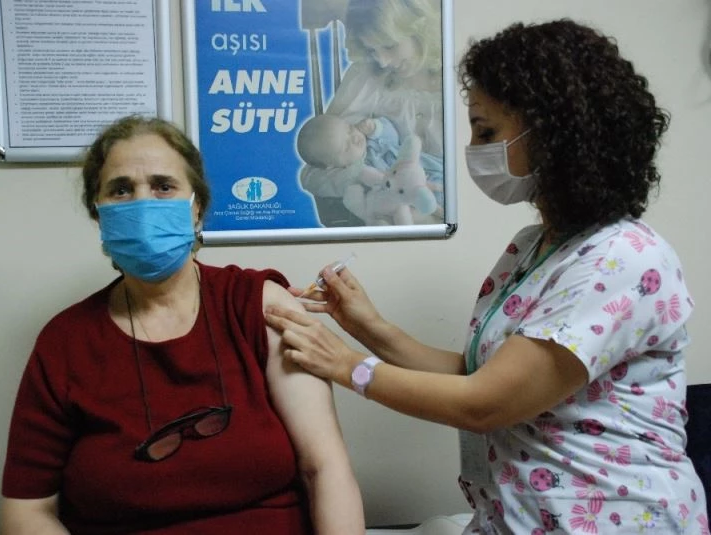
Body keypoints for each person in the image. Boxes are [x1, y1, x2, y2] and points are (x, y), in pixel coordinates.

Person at [267, 20, 709, 533]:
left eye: (487, 132)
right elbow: (475, 375)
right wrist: (365, 325)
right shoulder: (533, 246)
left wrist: (346, 365)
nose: (474, 148)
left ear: (551, 134)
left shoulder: (624, 259)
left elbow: (485, 404)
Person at [0, 115, 365, 534]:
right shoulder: (65, 343)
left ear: (197, 208)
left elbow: (325, 469)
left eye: (163, 186)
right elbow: (28, 511)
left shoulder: (259, 307)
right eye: (121, 190)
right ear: (98, 215)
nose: (143, 204)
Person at [302, 0, 445, 226]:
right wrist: (375, 179)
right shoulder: (366, 77)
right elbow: (315, 172)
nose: (382, 61)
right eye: (371, 50)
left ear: (418, 30)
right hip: (390, 212)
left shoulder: (459, 80)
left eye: (389, 46)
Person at [296, 114, 444, 224]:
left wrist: (375, 128)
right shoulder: (354, 172)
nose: (354, 138)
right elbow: (313, 181)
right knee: (434, 203)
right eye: (346, 147)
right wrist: (353, 173)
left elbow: (394, 138)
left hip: (422, 167)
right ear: (332, 165)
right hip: (409, 196)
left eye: (349, 129)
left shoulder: (370, 138)